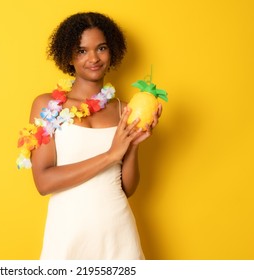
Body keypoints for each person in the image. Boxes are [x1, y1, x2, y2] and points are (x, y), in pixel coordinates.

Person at [19, 12, 162, 259]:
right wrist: (110, 155)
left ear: (112, 51)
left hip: (118, 231)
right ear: (68, 56)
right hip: (68, 233)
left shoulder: (124, 110)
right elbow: (44, 182)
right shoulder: (47, 105)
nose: (93, 58)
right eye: (82, 51)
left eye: (101, 48)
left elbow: (127, 188)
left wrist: (133, 146)